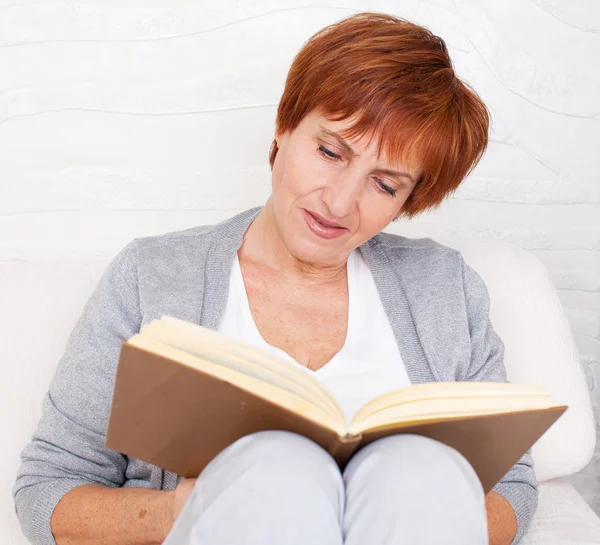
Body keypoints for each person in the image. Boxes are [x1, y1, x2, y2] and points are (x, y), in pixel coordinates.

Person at [13, 11, 537, 545]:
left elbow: (510, 486)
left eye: (385, 185)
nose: (339, 202)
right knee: (273, 468)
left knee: (415, 472)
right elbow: (48, 490)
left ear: (409, 201)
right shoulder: (152, 277)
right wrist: (179, 512)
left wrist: (428, 514)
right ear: (285, 127)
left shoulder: (444, 287)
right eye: (330, 152)